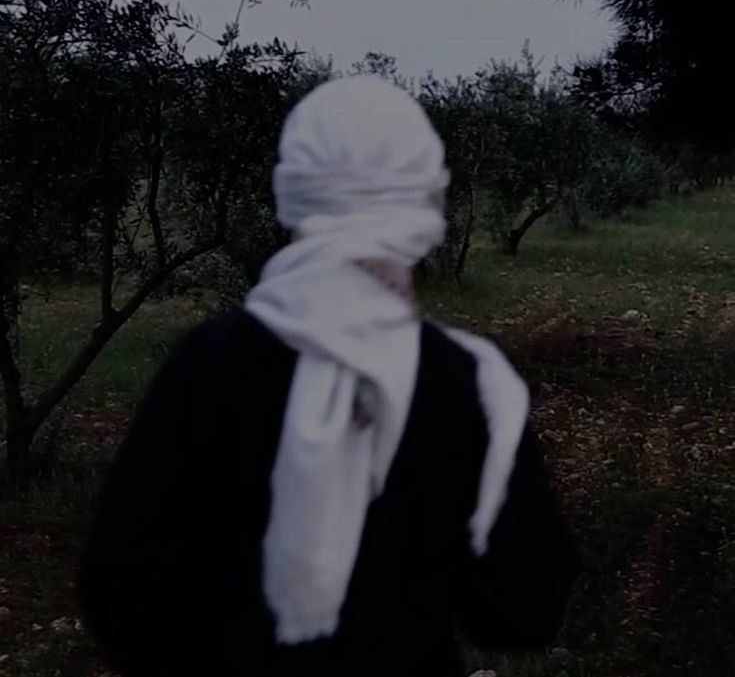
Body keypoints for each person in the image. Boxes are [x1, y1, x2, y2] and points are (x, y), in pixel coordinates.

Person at [78, 76, 577, 677]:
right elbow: (520, 612)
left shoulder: (204, 364)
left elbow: (115, 581)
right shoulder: (469, 384)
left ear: (294, 195)